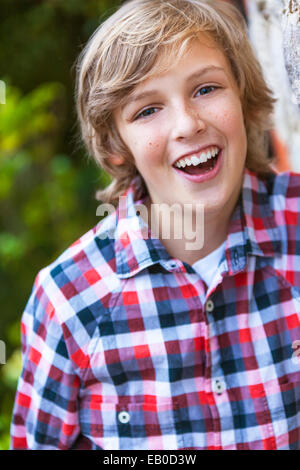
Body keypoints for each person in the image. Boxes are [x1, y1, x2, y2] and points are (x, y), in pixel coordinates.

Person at [10, 0, 300, 450]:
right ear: (115, 146)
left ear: (242, 96)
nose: (188, 124)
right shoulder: (69, 302)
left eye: (206, 89)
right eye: (147, 110)